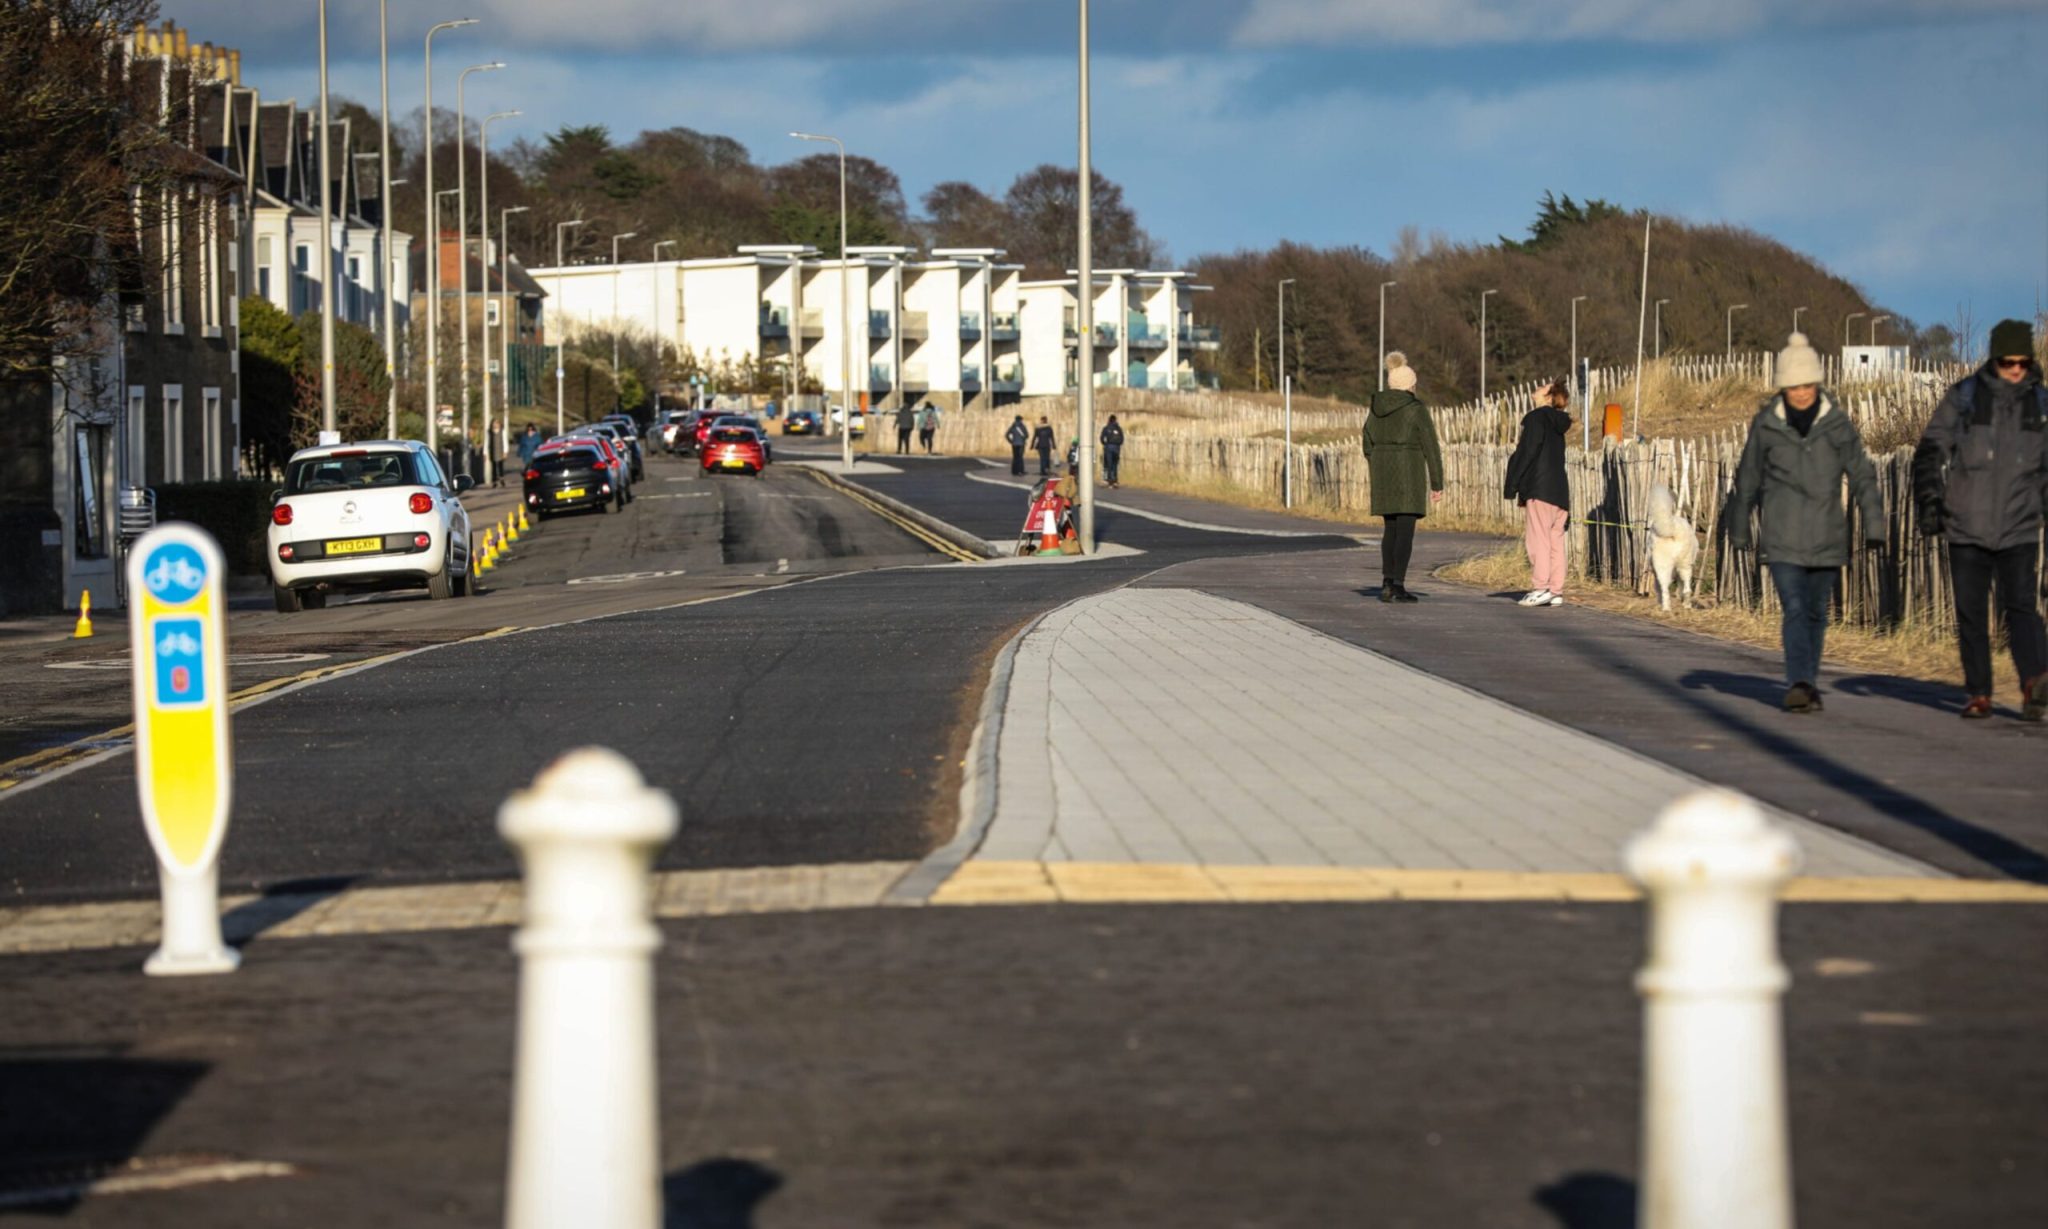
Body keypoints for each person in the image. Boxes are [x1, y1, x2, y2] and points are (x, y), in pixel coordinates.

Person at [1726, 333, 1885, 714]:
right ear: (1783, 386)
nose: (1801, 393)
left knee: (1816, 612)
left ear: (1818, 383)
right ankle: (1798, 681)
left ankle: (1808, 681)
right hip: (1782, 537)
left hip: (1827, 534)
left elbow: (1862, 474)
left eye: (1807, 385)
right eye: (1793, 386)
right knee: (1795, 608)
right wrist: (1740, 526)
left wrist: (1875, 523)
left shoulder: (1837, 424)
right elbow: (1747, 477)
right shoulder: (1766, 425)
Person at [1912, 317, 2048, 721]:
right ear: (1994, 360)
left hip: (2020, 524)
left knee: (2022, 606)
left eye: (2023, 362)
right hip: (1966, 523)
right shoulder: (1965, 397)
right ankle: (1979, 693)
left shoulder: (2040, 404)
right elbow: (1930, 451)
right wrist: (1932, 502)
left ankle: (2034, 683)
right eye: (2009, 362)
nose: (2016, 370)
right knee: (1971, 612)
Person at [1359, 351, 1443, 603]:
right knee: (1405, 531)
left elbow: (1366, 441)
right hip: (1409, 473)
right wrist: (1437, 483)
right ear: (1409, 385)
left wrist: (1378, 460)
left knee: (1390, 529)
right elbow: (1431, 446)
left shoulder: (1376, 407)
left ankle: (1387, 581)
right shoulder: (1415, 409)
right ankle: (1398, 585)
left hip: (1383, 473)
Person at [1502, 379, 1572, 607]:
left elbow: (1527, 452)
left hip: (1540, 489)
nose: (1539, 386)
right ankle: (1556, 589)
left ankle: (1541, 587)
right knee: (1555, 541)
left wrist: (1512, 483)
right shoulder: (1557, 424)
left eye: (1545, 386)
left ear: (1549, 397)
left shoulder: (1536, 419)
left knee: (1538, 541)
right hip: (1559, 491)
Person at [1100, 414, 1125, 487]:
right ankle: (1115, 480)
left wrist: (1105, 444)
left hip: (1108, 447)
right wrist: (1118, 446)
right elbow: (1122, 439)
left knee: (1108, 464)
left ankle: (1108, 480)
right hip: (1116, 448)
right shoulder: (1119, 428)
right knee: (1115, 464)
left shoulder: (1106, 428)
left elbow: (1102, 438)